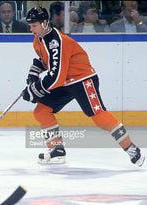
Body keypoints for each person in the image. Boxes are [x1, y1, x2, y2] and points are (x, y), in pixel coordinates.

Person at [22, 7, 145, 167]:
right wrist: (34, 73)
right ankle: (56, 149)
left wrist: (35, 89)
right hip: (66, 81)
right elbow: (46, 61)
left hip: (82, 78)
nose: (31, 29)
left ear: (45, 23)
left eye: (34, 25)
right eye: (30, 26)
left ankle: (131, 148)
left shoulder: (55, 41)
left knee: (98, 116)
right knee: (41, 111)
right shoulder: (38, 39)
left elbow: (56, 76)